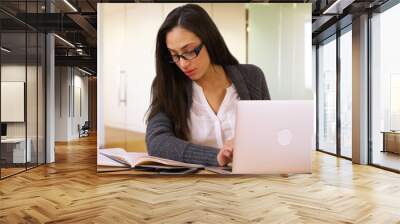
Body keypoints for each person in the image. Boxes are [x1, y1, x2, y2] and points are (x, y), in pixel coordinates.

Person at [146, 4, 270, 167]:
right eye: (175, 55)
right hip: (193, 186)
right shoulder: (168, 85)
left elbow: (269, 132)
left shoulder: (252, 77)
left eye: (189, 51)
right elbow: (157, 142)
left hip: (250, 180)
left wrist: (247, 142)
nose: (183, 64)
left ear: (209, 40)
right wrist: (216, 156)